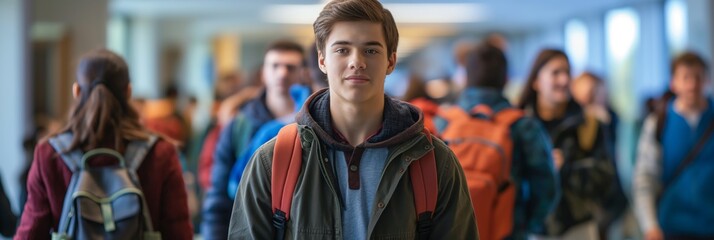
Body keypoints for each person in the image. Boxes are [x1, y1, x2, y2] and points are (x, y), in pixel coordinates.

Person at [228, 0, 478, 239]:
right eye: (342, 50)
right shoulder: (274, 160)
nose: (356, 62)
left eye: (371, 50)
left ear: (390, 60)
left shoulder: (435, 162)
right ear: (322, 60)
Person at [15, 49, 193, 239]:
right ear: (129, 92)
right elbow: (179, 233)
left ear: (76, 91)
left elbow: (31, 233)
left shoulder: (50, 153)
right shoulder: (160, 152)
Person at [201, 40, 308, 240]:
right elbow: (218, 197)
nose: (282, 73)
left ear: (304, 72)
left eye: (291, 67)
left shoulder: (315, 124)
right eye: (275, 66)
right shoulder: (240, 125)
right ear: (264, 73)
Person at [517, 49, 627, 240]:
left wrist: (566, 168)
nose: (564, 80)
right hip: (533, 229)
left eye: (567, 72)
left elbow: (606, 178)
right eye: (556, 73)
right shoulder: (520, 127)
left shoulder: (589, 123)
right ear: (536, 81)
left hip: (579, 228)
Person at [455, 43, 559, 239]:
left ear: (466, 78)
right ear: (506, 78)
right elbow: (546, 184)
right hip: (508, 231)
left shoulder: (445, 121)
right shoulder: (521, 124)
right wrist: (529, 224)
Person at [634, 52, 714, 240]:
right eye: (686, 77)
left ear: (707, 81)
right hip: (671, 225)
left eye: (698, 77)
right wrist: (649, 226)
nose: (692, 85)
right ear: (674, 83)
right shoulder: (659, 123)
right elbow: (645, 178)